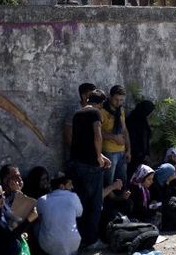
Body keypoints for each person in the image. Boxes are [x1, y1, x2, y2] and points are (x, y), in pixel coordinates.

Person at [68, 89, 111, 251]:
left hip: (75, 163)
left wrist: (100, 155)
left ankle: (80, 239)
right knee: (95, 204)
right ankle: (91, 240)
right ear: (100, 104)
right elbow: (97, 136)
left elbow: (80, 140)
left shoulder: (77, 114)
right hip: (90, 166)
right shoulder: (95, 113)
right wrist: (99, 158)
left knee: (81, 204)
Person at [36, 175, 83, 255]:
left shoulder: (42, 200)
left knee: (36, 223)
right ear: (61, 186)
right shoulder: (73, 196)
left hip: (49, 246)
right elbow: (79, 213)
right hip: (73, 245)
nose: (72, 187)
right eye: (70, 184)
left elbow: (38, 216)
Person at [101, 85, 130, 187]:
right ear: (110, 97)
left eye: (121, 100)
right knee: (109, 181)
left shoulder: (120, 110)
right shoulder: (102, 111)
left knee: (122, 181)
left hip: (121, 151)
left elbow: (124, 129)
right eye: (116, 99)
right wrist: (113, 137)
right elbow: (97, 132)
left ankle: (121, 201)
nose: (118, 103)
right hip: (109, 152)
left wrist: (128, 150)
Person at [126, 100, 155, 180]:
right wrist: (140, 153)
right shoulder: (133, 120)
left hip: (140, 156)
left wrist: (146, 153)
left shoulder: (143, 120)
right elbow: (133, 138)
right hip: (133, 155)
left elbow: (146, 138)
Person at [64, 82, 96, 152]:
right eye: (91, 95)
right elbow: (68, 133)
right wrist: (76, 150)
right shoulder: (75, 111)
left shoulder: (93, 110)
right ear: (84, 96)